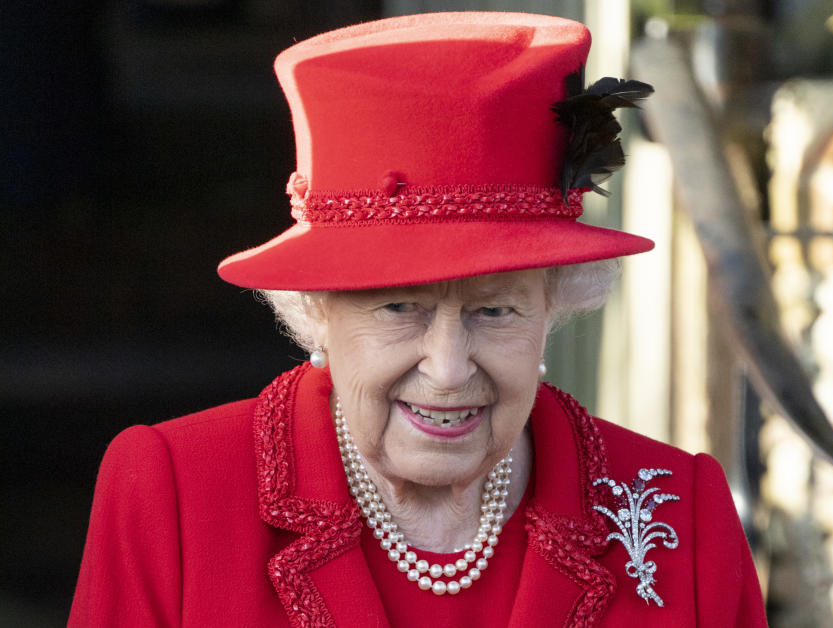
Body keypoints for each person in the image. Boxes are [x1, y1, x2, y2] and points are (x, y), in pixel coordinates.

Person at [69, 11, 767, 627]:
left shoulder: (682, 515)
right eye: (401, 307)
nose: (449, 366)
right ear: (317, 311)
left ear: (553, 305)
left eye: (495, 310)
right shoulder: (175, 494)